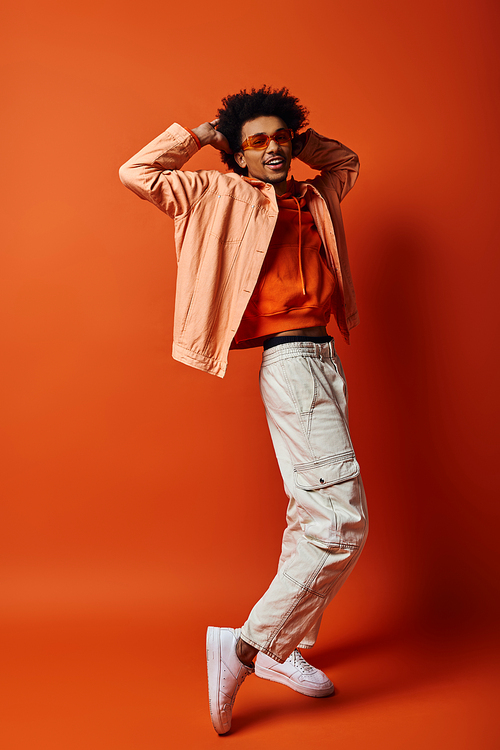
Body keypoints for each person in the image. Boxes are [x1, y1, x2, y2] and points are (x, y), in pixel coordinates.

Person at [119, 85, 368, 735]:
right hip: (289, 363)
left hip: (323, 360)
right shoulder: (216, 193)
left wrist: (301, 134)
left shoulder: (315, 195)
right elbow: (138, 173)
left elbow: (345, 164)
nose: (274, 149)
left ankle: (281, 650)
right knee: (340, 522)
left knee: (309, 512)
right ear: (238, 152)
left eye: (281, 137)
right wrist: (204, 134)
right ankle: (247, 645)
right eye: (257, 141)